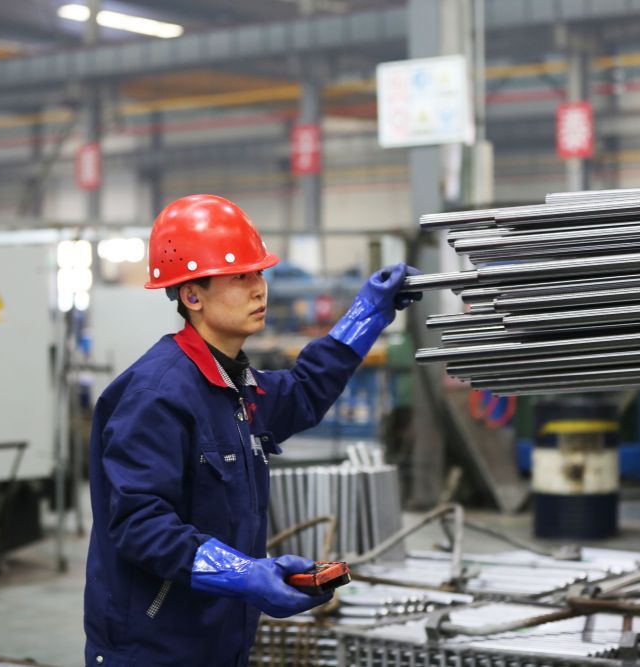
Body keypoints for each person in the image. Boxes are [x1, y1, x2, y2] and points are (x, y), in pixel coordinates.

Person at [83, 194, 421, 666]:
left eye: (259, 273)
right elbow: (140, 525)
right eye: (240, 277)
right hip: (154, 649)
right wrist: (242, 574)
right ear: (192, 296)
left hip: (219, 641)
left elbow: (304, 391)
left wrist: (367, 314)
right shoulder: (156, 396)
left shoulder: (235, 388)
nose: (260, 289)